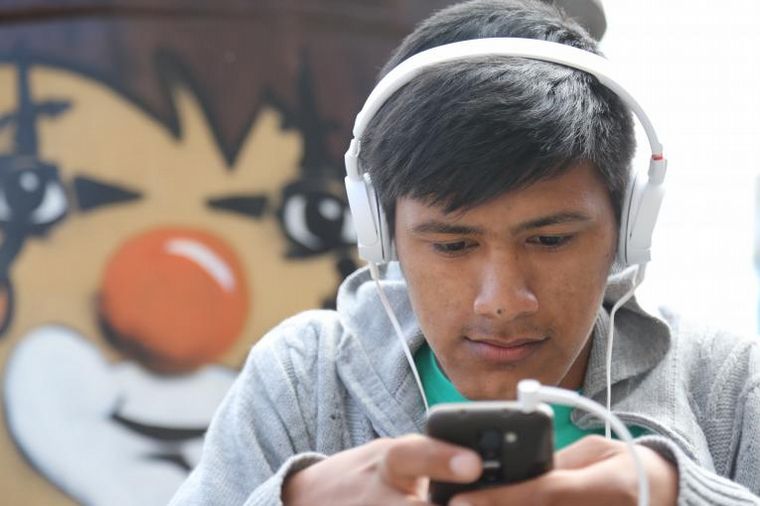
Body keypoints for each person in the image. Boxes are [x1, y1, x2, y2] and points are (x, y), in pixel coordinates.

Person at [170, 0, 760, 504]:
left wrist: (683, 495)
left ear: (629, 230)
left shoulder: (729, 388)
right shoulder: (303, 378)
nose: (502, 301)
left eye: (551, 240)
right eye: (453, 244)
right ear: (382, 234)